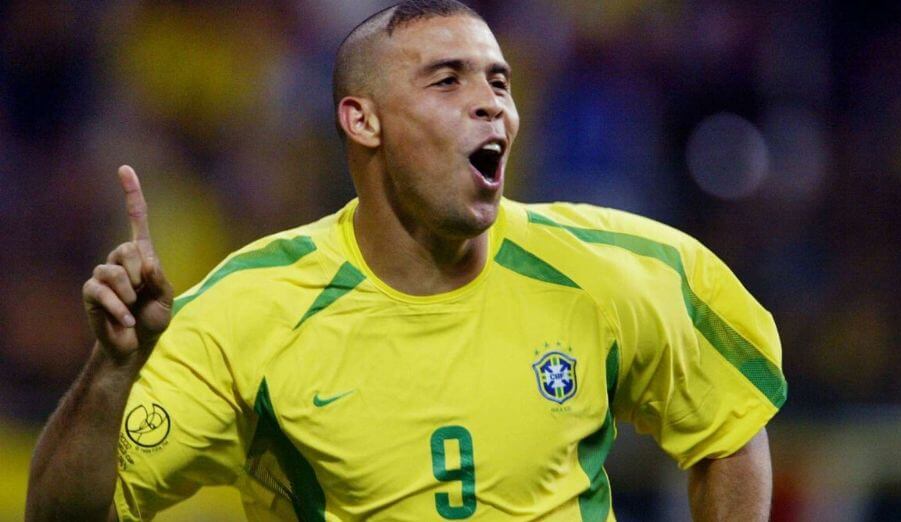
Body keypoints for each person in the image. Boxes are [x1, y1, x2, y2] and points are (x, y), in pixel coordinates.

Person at [26, 1, 786, 520]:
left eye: (499, 81)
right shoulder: (246, 313)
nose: (490, 102)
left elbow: (729, 426)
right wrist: (113, 372)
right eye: (448, 80)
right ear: (363, 120)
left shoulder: (615, 268)